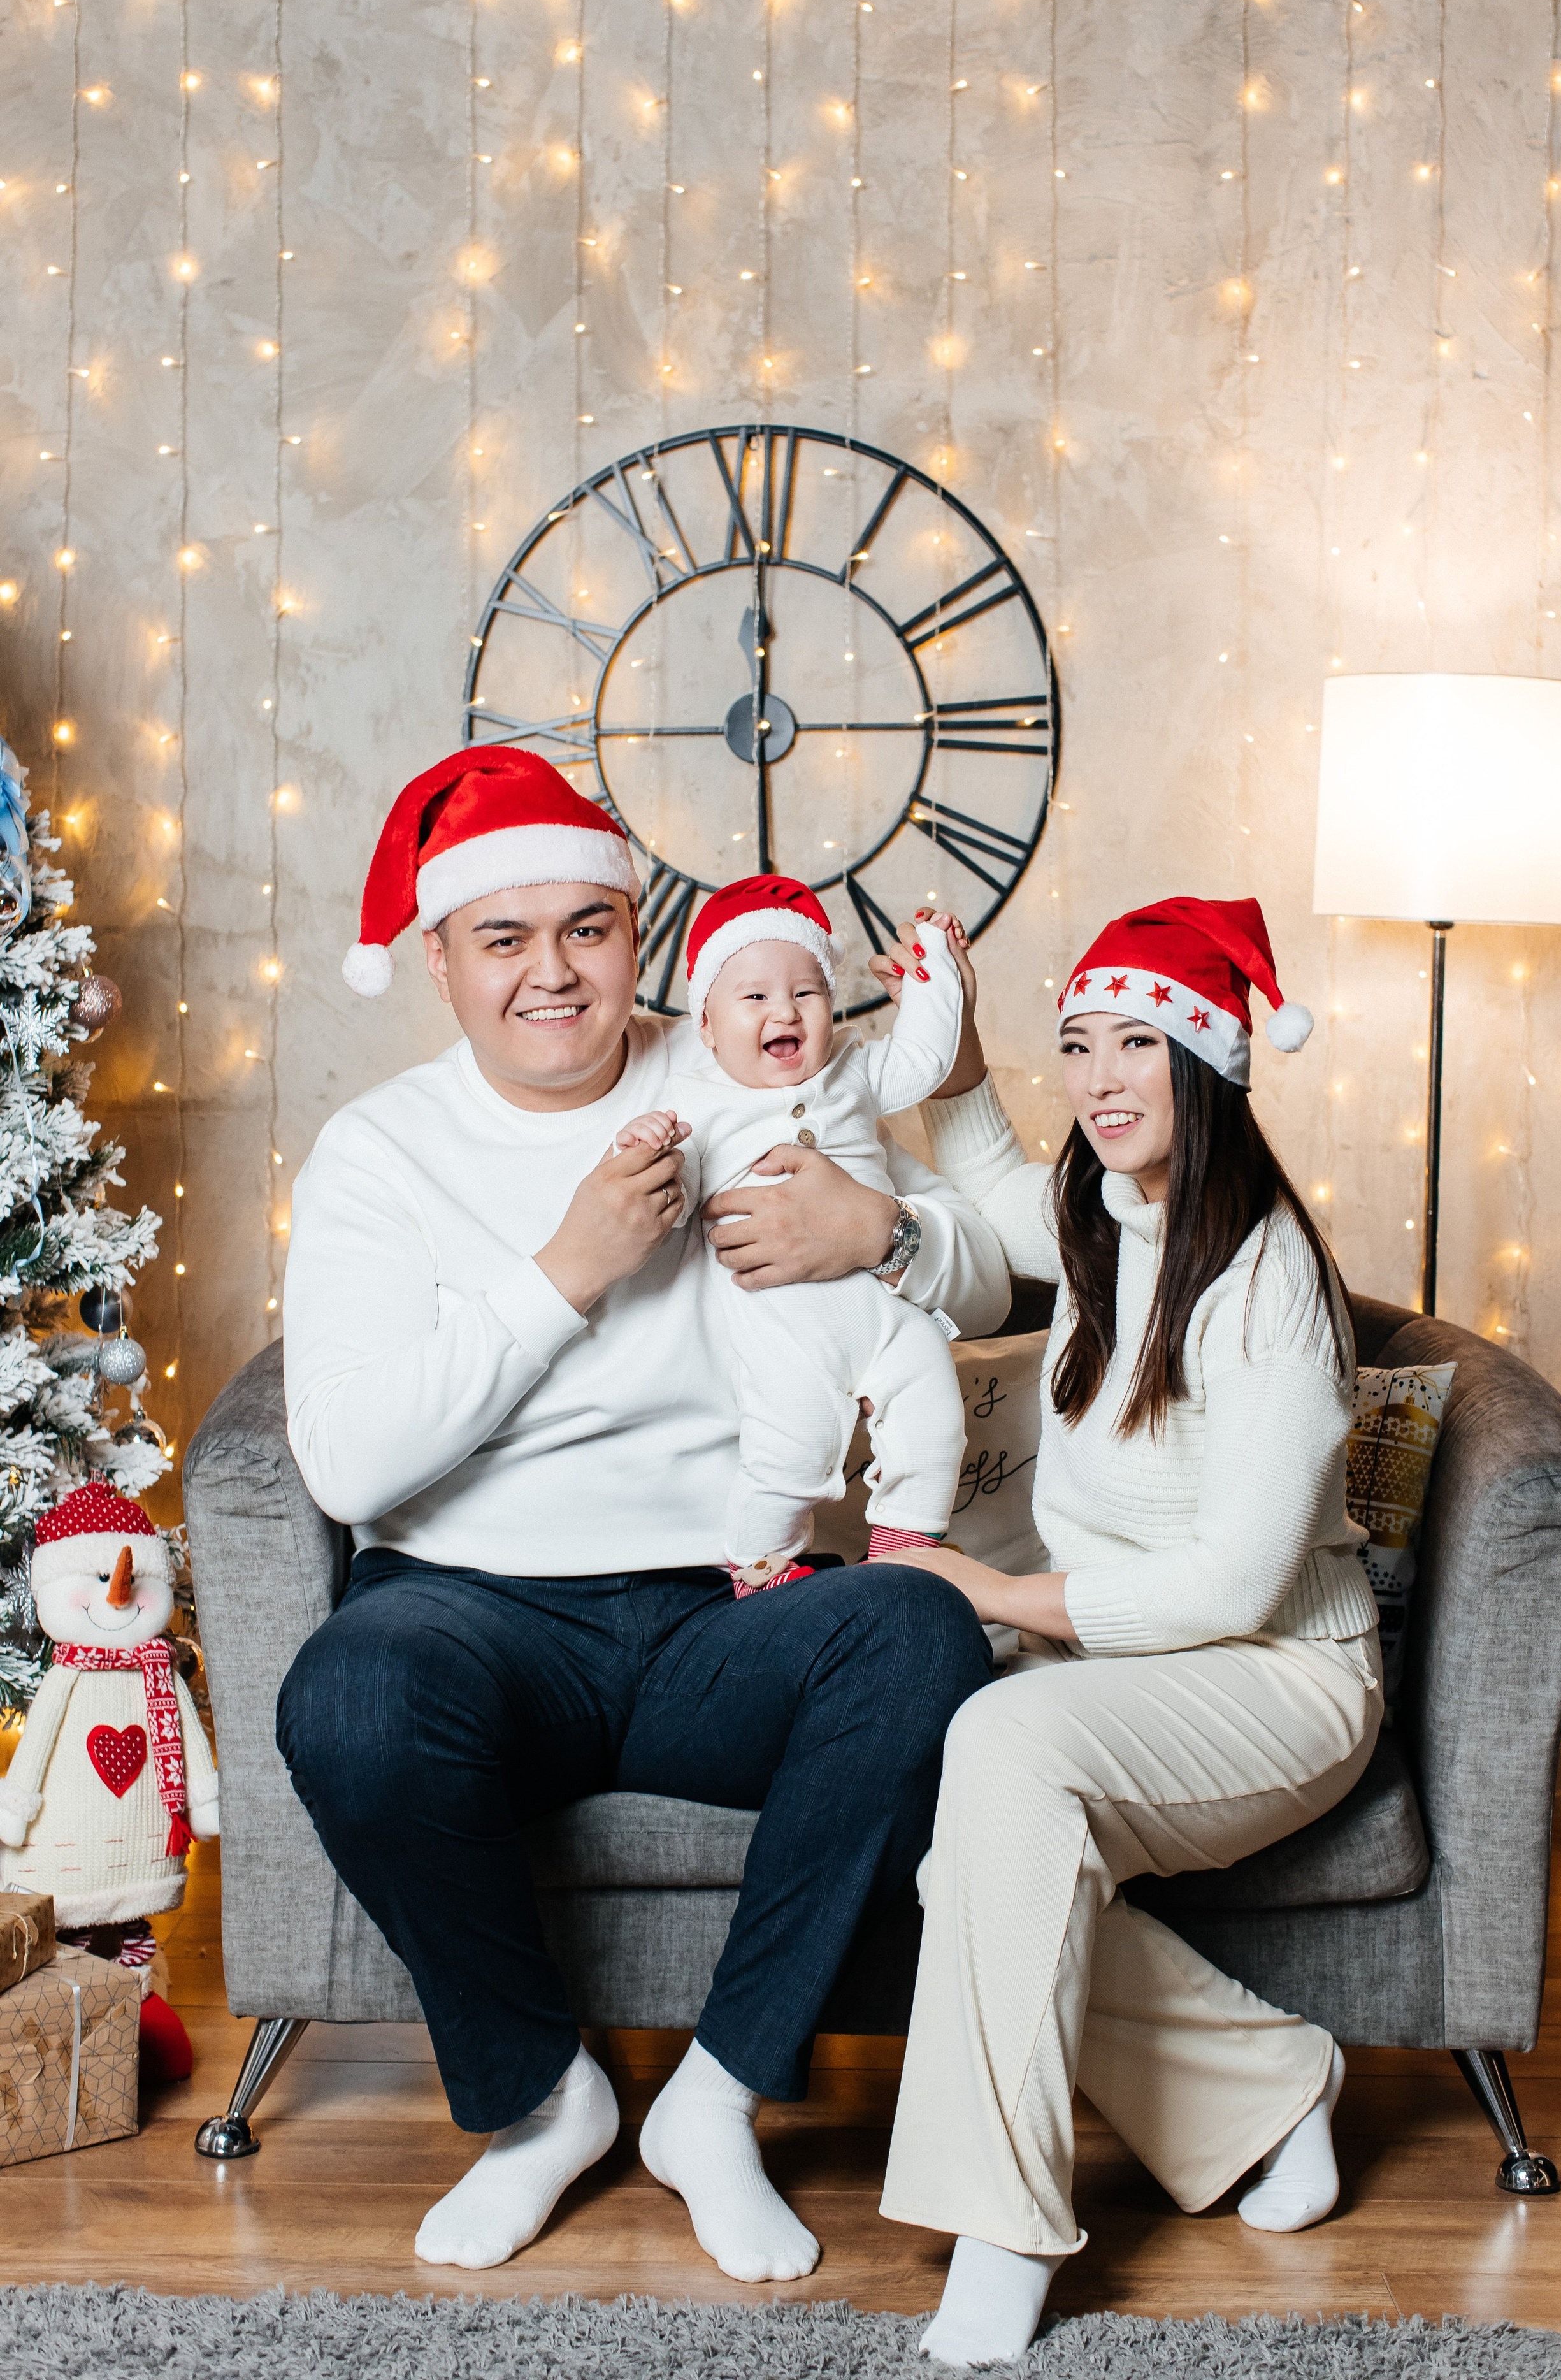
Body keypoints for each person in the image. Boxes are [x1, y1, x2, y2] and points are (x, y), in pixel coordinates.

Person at [274, 746, 1005, 2280]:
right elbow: (346, 1465)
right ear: (441, 961)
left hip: (717, 1604)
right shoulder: (380, 1151)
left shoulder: (738, 1053)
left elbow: (1001, 1280)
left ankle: (717, 2099)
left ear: (635, 936)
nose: (552, 973)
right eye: (502, 938)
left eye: (586, 931)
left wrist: (881, 1229)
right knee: (346, 1691)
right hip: (470, 1610)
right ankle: (543, 2104)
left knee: (918, 1621)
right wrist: (566, 1271)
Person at [870, 894, 1383, 2367]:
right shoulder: (1108, 1212)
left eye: (1135, 1047)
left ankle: (1004, 2230)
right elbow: (985, 1168)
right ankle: (1271, 2087)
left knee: (1003, 1746)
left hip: (1279, 1679)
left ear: (1206, 1065)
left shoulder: (1266, 1277)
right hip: (1130, 1672)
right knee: (963, 1846)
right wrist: (959, 1054)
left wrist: (1000, 1598)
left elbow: (1232, 1586)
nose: (1097, 1079)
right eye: (1077, 1044)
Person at [612, 871, 970, 1592]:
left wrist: (935, 969)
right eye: (755, 997)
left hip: (884, 1307)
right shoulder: (697, 1104)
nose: (787, 1010)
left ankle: (908, 1544)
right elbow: (671, 1200)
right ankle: (757, 1567)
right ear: (706, 1028)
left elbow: (925, 1058)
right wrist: (648, 1146)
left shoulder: (853, 1072)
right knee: (791, 1451)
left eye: (807, 993)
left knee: (935, 1404)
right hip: (784, 1324)